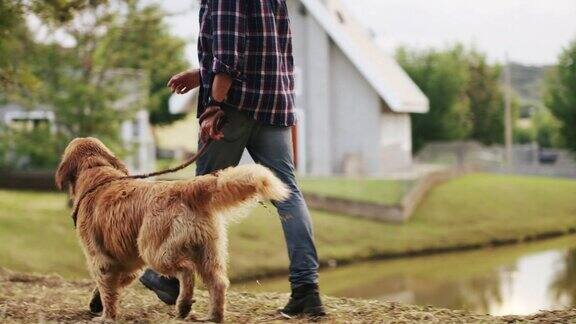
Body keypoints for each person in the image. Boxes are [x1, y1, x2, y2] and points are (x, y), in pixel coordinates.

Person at [139, 0, 326, 318]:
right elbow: (256, 50)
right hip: (273, 105)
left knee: (197, 196)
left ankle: (170, 279)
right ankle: (307, 292)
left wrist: (214, 104)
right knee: (288, 194)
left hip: (233, 108)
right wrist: (202, 74)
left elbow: (229, 55)